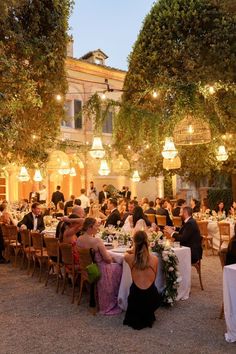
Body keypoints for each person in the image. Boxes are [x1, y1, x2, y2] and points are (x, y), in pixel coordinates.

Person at [77, 217, 122, 314]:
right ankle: (119, 298)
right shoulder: (96, 241)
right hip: (99, 269)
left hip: (87, 268)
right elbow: (108, 260)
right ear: (90, 227)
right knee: (120, 267)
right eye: (96, 226)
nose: (98, 228)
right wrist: (113, 258)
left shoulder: (79, 239)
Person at [123, 230, 161, 329]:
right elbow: (154, 279)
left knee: (135, 290)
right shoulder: (155, 259)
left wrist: (132, 250)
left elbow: (125, 254)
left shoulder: (129, 258)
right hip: (151, 297)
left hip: (136, 298)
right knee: (151, 289)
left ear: (135, 243)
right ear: (147, 242)